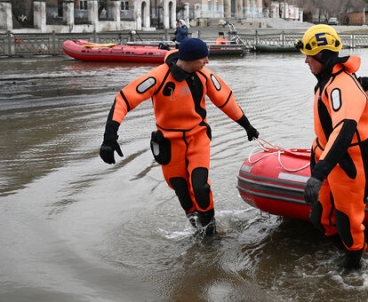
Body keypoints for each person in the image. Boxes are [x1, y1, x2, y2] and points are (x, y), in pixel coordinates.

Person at [98, 38, 259, 237]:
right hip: (169, 143)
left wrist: (247, 126)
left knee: (200, 187)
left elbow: (226, 101)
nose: (207, 61)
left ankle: (210, 234)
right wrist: (109, 137)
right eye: (203, 57)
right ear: (190, 59)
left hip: (197, 137)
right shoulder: (158, 77)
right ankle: (196, 231)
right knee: (182, 191)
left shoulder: (205, 77)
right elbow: (124, 99)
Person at [295, 24, 368, 270]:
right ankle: (341, 251)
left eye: (310, 56)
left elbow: (344, 130)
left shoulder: (342, 84)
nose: (306, 61)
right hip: (326, 153)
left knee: (347, 221)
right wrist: (316, 159)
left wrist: (318, 173)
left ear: (323, 55)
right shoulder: (325, 80)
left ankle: (354, 267)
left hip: (350, 158)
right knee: (320, 218)